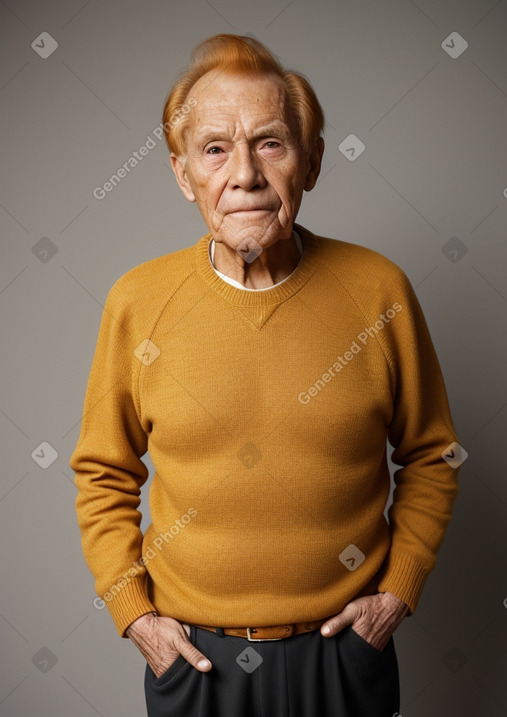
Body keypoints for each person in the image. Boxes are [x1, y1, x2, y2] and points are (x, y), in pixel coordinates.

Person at [69, 33, 461, 717]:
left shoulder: (378, 291)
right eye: (215, 148)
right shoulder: (137, 302)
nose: (244, 174)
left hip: (344, 654)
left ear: (310, 164)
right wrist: (135, 615)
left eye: (271, 143)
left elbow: (434, 454)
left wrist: (398, 590)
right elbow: (102, 472)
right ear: (182, 173)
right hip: (195, 662)